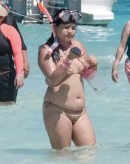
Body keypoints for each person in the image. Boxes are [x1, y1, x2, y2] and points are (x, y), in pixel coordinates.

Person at [39, 9, 98, 150]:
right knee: (62, 157)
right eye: (65, 28)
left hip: (80, 111)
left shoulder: (78, 46)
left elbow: (89, 76)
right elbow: (53, 80)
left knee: (90, 153)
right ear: (55, 28)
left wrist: (94, 65)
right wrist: (68, 60)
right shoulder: (46, 51)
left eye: (73, 28)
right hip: (57, 110)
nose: (70, 31)